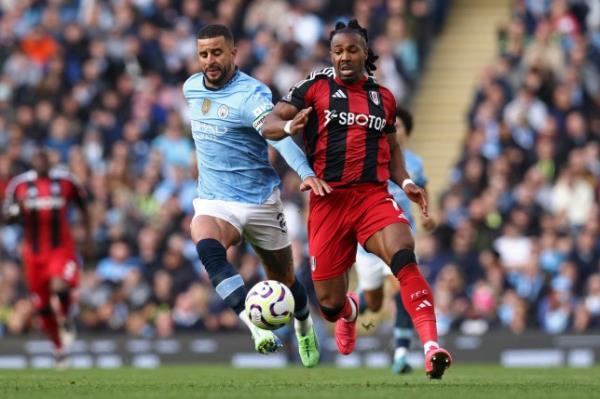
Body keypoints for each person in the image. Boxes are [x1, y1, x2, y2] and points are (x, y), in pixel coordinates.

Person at [262, 19, 452, 379]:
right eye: (338, 51)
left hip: (371, 197)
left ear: (366, 53)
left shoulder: (384, 98)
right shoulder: (314, 86)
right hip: (328, 200)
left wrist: (406, 180)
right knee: (330, 305)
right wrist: (289, 127)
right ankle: (349, 310)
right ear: (330, 54)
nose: (344, 57)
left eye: (352, 50)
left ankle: (431, 347)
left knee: (404, 256)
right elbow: (268, 122)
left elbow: (392, 148)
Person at [183, 24, 330, 367]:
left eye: (217, 52)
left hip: (260, 201)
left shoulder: (252, 94)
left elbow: (274, 134)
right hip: (214, 201)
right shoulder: (191, 88)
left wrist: (305, 171)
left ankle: (304, 325)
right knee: (207, 246)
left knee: (285, 280)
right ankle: (257, 329)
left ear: (234, 52)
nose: (210, 60)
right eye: (203, 54)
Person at [354, 106, 435, 375]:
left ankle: (401, 354)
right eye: (392, 125)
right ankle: (351, 306)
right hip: (368, 243)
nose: (395, 130)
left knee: (403, 290)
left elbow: (423, 189)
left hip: (399, 237)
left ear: (407, 133)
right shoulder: (370, 157)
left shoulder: (414, 163)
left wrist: (426, 215)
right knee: (374, 302)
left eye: (399, 126)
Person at [2, 148, 91, 367]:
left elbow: (83, 206)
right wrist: (14, 213)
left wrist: (87, 236)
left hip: (61, 248)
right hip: (33, 254)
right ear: (32, 163)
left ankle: (67, 315)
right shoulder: (19, 185)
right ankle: (59, 348)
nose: (41, 162)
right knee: (42, 307)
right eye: (37, 158)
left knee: (60, 287)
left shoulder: (66, 182)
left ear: (50, 161)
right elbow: (6, 216)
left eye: (44, 158)